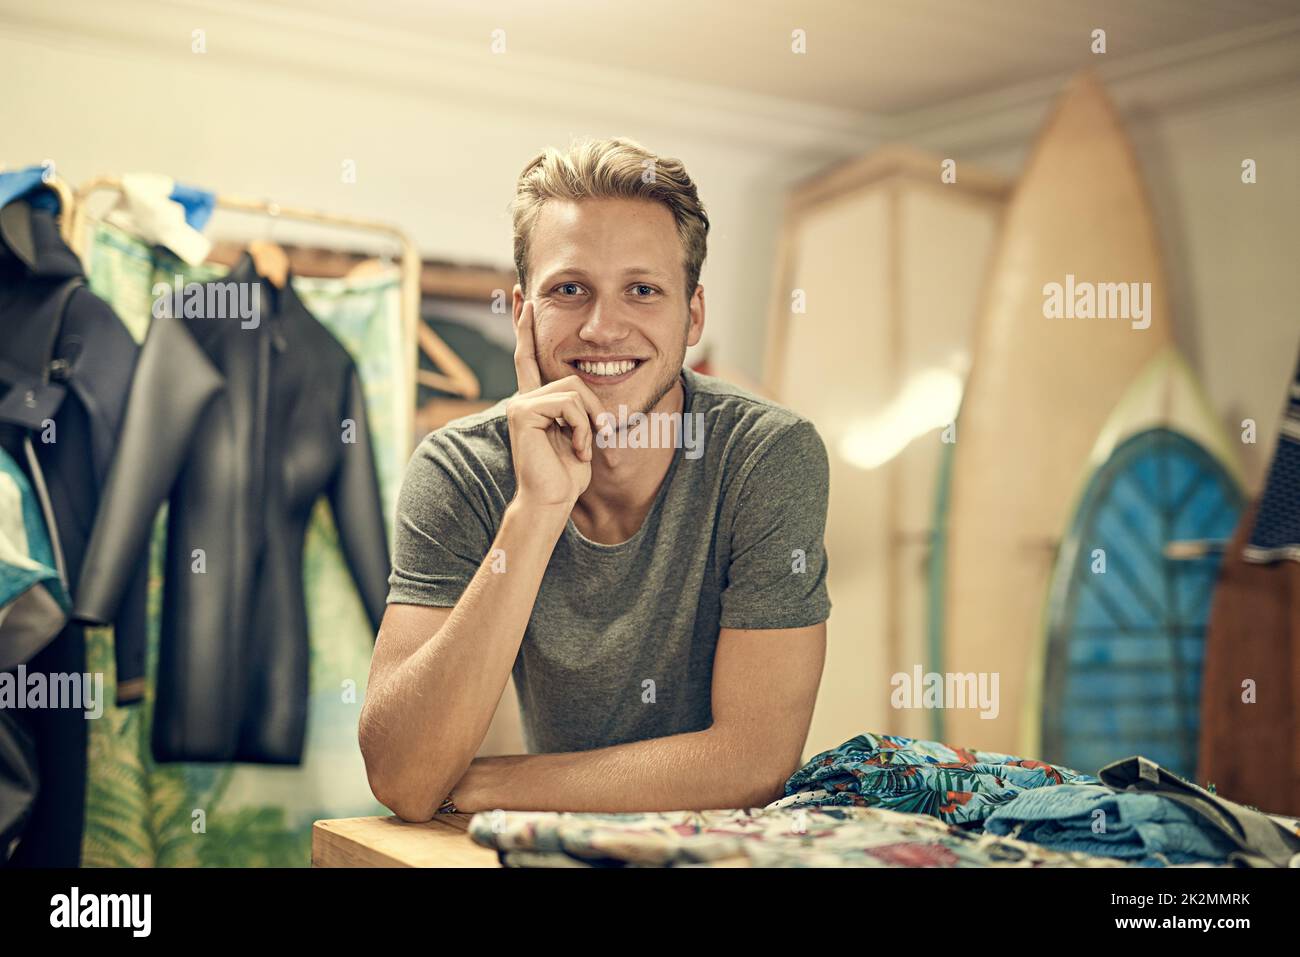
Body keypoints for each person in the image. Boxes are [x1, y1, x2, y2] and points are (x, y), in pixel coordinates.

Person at [359, 137, 831, 821]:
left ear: (692, 315)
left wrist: (486, 783)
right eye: (570, 289)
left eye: (642, 290)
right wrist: (535, 510)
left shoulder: (767, 455)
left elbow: (753, 761)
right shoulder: (459, 469)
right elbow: (404, 777)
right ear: (523, 313)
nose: (603, 327)